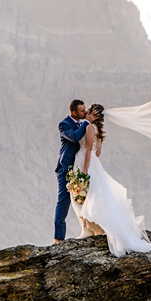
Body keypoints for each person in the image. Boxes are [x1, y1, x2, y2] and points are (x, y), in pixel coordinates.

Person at [71, 103, 151, 257]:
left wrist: (84, 169)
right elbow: (97, 153)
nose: (85, 112)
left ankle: (88, 229)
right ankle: (90, 228)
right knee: (89, 195)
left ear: (94, 113)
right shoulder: (97, 130)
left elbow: (90, 149)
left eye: (88, 110)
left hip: (85, 164)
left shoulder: (89, 128)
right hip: (93, 163)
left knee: (80, 195)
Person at [53, 99, 89, 244]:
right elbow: (74, 137)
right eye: (82, 111)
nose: (85, 112)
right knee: (64, 202)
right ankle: (58, 238)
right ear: (74, 113)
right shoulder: (64, 124)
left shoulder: (85, 124)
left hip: (80, 169)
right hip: (66, 169)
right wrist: (87, 122)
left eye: (85, 109)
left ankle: (91, 230)